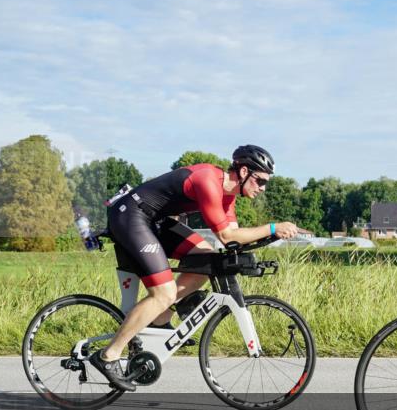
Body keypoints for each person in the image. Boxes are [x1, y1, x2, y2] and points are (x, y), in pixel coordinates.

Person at [89, 145, 299, 391]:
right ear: (243, 171)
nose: (263, 188)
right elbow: (225, 233)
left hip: (153, 220)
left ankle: (159, 317)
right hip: (130, 216)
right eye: (260, 181)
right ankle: (109, 355)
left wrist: (270, 237)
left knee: (205, 258)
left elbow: (232, 240)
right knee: (163, 293)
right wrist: (272, 228)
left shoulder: (228, 196)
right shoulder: (208, 181)